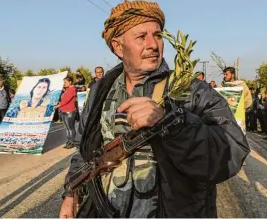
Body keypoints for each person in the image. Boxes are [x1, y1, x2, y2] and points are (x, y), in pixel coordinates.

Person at [59, 1, 250, 218]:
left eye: (158, 35)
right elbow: (84, 151)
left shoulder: (192, 90)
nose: (153, 44)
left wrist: (173, 123)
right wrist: (70, 192)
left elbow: (231, 153)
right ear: (118, 47)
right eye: (141, 37)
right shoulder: (100, 92)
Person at [55, 76, 77, 149]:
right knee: (67, 128)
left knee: (70, 128)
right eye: (63, 82)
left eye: (65, 82)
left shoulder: (71, 89)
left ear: (70, 82)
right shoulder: (67, 90)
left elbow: (65, 101)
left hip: (69, 111)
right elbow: (63, 100)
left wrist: (57, 106)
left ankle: (72, 142)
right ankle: (69, 141)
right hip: (64, 110)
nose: (64, 84)